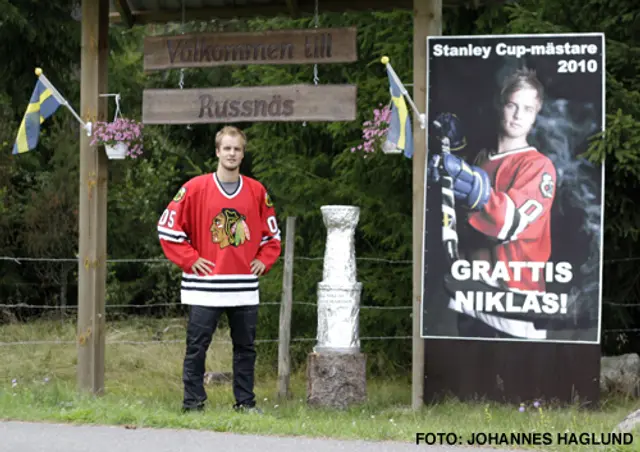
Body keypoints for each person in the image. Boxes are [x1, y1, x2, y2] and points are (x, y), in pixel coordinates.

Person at [157, 125, 282, 413]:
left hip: (243, 287)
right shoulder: (194, 188)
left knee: (246, 349)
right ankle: (193, 403)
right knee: (196, 348)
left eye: (237, 149)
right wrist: (189, 259)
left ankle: (245, 403)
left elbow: (271, 235)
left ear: (242, 153)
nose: (232, 153)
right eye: (226, 148)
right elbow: (167, 227)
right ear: (217, 151)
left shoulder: (256, 191)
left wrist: (265, 259)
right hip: (205, 287)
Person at [428, 67, 558, 340]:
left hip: (513, 303)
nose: (518, 115)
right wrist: (445, 151)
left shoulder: (539, 166)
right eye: (512, 105)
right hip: (472, 293)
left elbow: (507, 223)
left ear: (536, 115)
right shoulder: (480, 159)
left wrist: (470, 184)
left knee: (516, 381)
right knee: (468, 381)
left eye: (528, 108)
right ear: (501, 106)